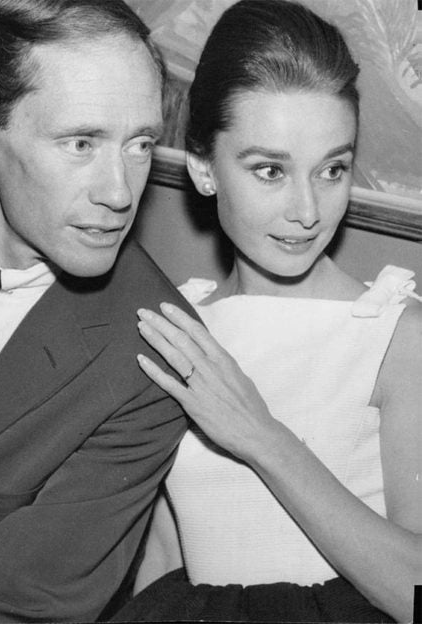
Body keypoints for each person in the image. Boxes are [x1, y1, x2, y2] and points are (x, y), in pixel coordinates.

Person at [111, 1, 422, 622]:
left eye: (331, 169)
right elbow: (165, 561)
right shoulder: (178, 327)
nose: (307, 210)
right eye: (270, 171)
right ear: (203, 167)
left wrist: (261, 436)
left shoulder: (395, 336)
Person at [0, 1, 194, 621]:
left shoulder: (151, 354)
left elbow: (14, 612)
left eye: (140, 144)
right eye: (80, 142)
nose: (119, 193)